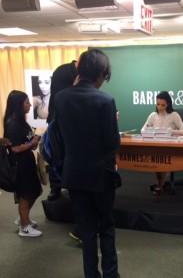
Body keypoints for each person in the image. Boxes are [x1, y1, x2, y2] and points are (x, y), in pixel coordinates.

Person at [54, 49, 120, 278]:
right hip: (101, 175)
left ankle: (91, 275)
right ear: (102, 73)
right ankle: (111, 274)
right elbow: (113, 143)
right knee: (107, 228)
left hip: (73, 174)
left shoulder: (61, 98)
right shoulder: (106, 100)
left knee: (87, 230)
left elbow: (59, 138)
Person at [4, 90, 42, 237]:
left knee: (34, 191)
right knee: (25, 195)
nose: (30, 105)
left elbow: (25, 142)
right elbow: (15, 148)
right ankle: (24, 227)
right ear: (18, 105)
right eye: (27, 103)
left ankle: (23, 219)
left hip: (27, 162)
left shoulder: (21, 122)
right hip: (20, 165)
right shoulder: (12, 124)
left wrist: (33, 142)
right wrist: (32, 142)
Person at [141, 91, 183, 195]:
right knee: (157, 157)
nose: (160, 107)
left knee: (162, 158)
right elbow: (142, 130)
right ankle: (160, 184)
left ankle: (160, 185)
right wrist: (151, 130)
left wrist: (172, 132)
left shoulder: (174, 115)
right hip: (156, 146)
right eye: (158, 104)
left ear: (168, 104)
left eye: (163, 105)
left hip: (169, 147)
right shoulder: (153, 115)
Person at [46, 61, 78, 201]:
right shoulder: (63, 72)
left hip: (69, 121)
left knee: (70, 156)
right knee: (57, 155)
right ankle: (56, 188)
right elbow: (63, 98)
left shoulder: (72, 72)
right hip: (57, 121)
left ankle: (70, 187)